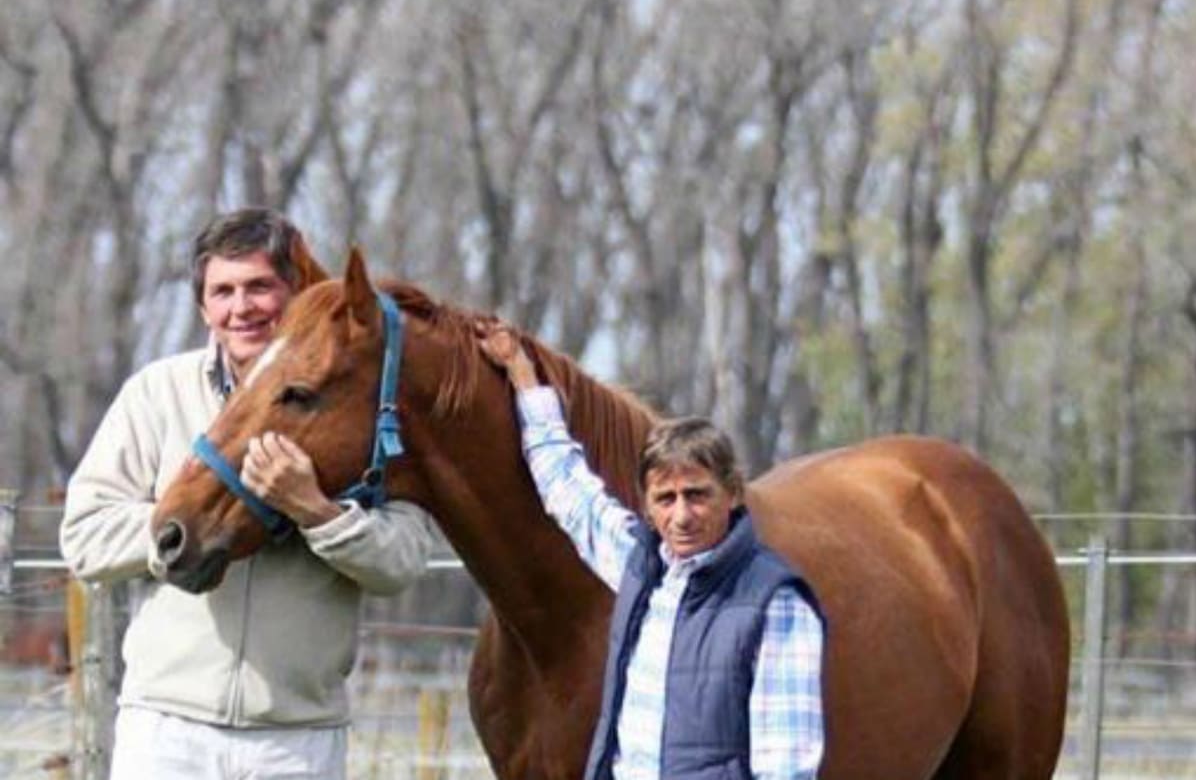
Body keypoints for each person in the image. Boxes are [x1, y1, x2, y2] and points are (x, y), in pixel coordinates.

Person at [61, 208, 437, 780]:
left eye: (260, 286)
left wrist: (315, 512)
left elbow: (403, 562)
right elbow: (83, 537)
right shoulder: (156, 393)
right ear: (203, 307)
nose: (242, 308)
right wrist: (186, 521)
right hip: (167, 729)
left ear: (297, 292)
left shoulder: (359, 402)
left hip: (297, 741)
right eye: (223, 291)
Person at [477, 323, 825, 780]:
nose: (682, 516)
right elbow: (567, 486)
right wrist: (522, 375)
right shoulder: (640, 569)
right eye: (666, 499)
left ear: (734, 494)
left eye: (697, 495)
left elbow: (786, 768)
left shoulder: (775, 602)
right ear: (646, 504)